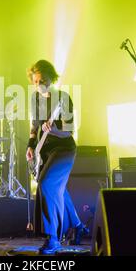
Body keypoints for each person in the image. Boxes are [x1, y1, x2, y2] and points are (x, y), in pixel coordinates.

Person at [26, 59, 88, 255]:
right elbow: (34, 127)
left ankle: (53, 239)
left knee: (46, 185)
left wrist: (54, 130)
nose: (39, 85)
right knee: (59, 191)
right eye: (35, 81)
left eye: (42, 80)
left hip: (64, 149)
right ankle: (78, 225)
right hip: (44, 152)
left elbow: (69, 131)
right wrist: (30, 145)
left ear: (51, 79)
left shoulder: (62, 97)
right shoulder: (34, 100)